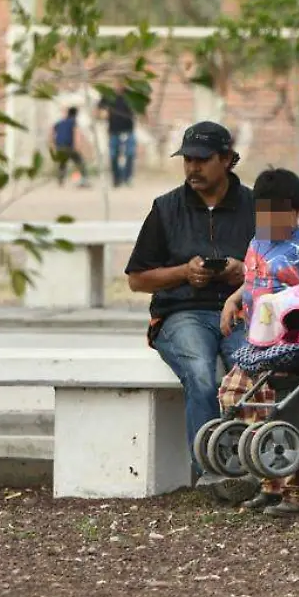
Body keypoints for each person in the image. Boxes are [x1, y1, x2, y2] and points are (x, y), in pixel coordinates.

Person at [124, 121, 256, 499]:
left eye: (202, 160)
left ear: (228, 159)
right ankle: (212, 475)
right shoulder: (166, 207)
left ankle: (258, 471)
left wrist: (242, 272)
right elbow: (137, 279)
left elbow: (287, 266)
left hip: (242, 311)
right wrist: (184, 273)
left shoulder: (257, 205)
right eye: (187, 160)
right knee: (200, 373)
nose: (192, 168)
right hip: (181, 313)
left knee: (250, 369)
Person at [217, 167, 299, 517]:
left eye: (278, 214)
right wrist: (234, 299)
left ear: (297, 211)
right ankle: (267, 481)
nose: (269, 222)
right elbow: (254, 279)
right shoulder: (256, 242)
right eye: (263, 213)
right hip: (256, 341)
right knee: (235, 395)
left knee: (278, 410)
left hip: (289, 344)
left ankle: (297, 490)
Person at [99, 88, 137, 187]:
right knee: (113, 155)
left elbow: (140, 108)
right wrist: (102, 113)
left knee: (130, 154)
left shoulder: (131, 94)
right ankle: (116, 179)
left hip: (128, 130)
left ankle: (127, 178)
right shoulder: (108, 95)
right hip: (113, 131)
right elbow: (100, 110)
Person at [52, 107, 91, 188]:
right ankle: (84, 180)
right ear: (75, 114)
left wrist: (53, 143)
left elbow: (52, 131)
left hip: (60, 146)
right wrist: (77, 145)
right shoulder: (73, 122)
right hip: (69, 146)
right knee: (80, 162)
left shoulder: (60, 122)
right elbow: (76, 133)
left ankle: (60, 181)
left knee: (62, 164)